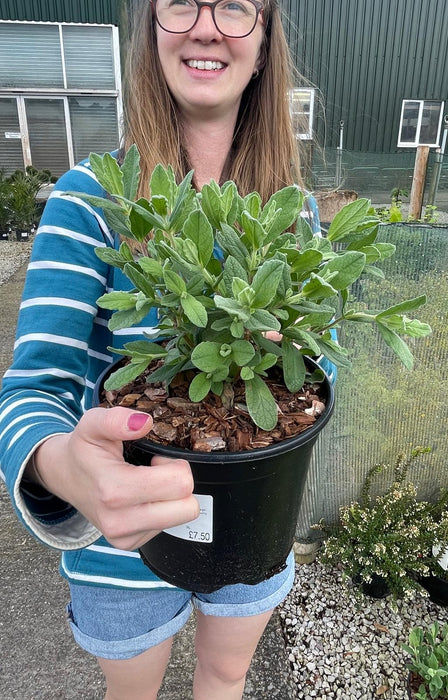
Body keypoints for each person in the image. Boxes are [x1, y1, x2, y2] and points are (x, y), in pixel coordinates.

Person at [0, 1, 326, 698]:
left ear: (264, 40)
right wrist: (67, 471)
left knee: (225, 677)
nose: (206, 26)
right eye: (181, 2)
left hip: (256, 520)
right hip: (122, 548)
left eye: (235, 6)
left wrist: (287, 349)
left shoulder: (293, 211)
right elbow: (31, 394)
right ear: (149, 27)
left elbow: (313, 372)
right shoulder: (92, 201)